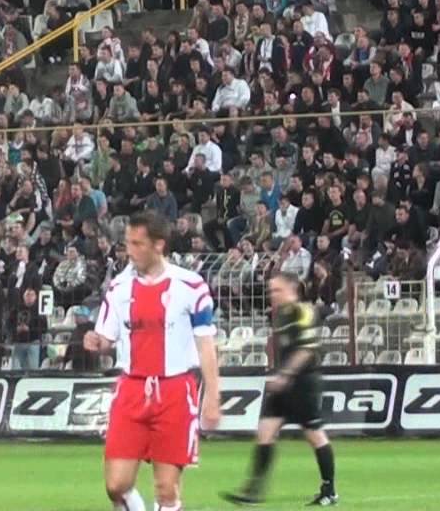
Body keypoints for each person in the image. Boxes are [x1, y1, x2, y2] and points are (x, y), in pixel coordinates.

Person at [84, 212, 222, 511]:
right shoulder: (119, 288)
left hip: (174, 390)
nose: (129, 251)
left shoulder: (191, 286)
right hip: (131, 390)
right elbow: (107, 338)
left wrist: (212, 395)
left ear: (158, 245)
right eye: (127, 243)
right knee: (116, 485)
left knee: (166, 489)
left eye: (137, 244)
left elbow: (205, 344)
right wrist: (97, 342)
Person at [223, 272, 338, 507]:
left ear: (292, 289)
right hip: (284, 383)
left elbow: (306, 350)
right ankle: (253, 491)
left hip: (303, 382)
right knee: (265, 431)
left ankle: (329, 489)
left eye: (277, 290)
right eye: (270, 290)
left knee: (314, 435)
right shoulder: (282, 314)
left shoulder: (302, 312)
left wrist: (285, 374)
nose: (272, 295)